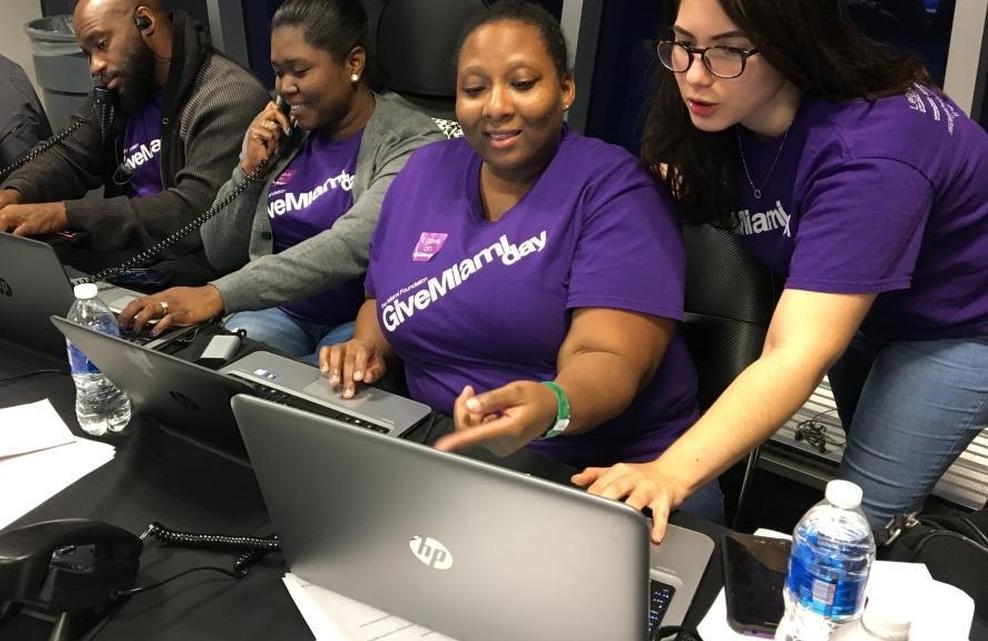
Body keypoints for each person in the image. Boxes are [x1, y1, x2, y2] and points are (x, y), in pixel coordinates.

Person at [582, 0, 988, 542]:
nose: (695, 76)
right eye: (683, 44)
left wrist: (670, 473)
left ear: (790, 44)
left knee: (854, 518)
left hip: (962, 323)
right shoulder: (721, 105)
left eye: (727, 51)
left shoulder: (870, 156)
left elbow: (796, 351)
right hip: (871, 299)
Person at [321, 2, 725, 524]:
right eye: (474, 89)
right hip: (444, 453)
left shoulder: (615, 189)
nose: (495, 106)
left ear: (565, 91)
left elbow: (610, 358)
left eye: (522, 83)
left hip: (604, 475)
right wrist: (367, 347)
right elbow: (384, 300)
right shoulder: (423, 174)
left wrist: (550, 406)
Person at [118, 0, 442, 362]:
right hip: (277, 311)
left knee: (314, 394)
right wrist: (249, 172)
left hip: (361, 318)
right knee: (228, 376)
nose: (285, 87)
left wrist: (218, 294)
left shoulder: (411, 140)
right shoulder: (284, 132)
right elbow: (219, 250)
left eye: (299, 71)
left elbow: (352, 243)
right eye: (278, 72)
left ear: (353, 63)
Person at [0, 0, 268, 283]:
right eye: (88, 53)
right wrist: (13, 194)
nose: (95, 66)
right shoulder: (122, 89)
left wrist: (62, 214)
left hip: (188, 275)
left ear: (145, 22)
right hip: (128, 261)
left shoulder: (226, 95)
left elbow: (193, 213)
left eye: (102, 45)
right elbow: (68, 153)